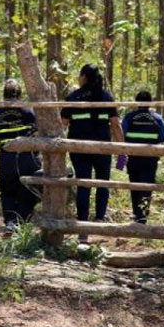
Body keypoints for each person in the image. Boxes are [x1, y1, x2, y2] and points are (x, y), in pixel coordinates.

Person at [60, 64, 124, 245]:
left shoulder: (73, 97)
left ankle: (83, 230)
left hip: (79, 149)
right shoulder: (106, 97)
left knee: (83, 184)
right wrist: (123, 149)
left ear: (84, 77)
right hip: (102, 148)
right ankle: (100, 222)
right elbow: (116, 125)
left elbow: (62, 124)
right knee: (103, 183)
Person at [0, 79, 41, 235]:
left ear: (4, 94)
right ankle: (21, 224)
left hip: (7, 158)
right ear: (20, 94)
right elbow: (37, 133)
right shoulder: (28, 111)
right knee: (28, 189)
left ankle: (10, 222)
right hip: (27, 156)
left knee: (7, 190)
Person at [116, 90, 164, 224]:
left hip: (133, 158)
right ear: (150, 103)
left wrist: (121, 159)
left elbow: (122, 137)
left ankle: (136, 213)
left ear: (137, 102)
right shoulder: (157, 118)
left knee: (134, 184)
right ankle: (143, 215)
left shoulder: (129, 117)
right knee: (147, 186)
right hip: (150, 159)